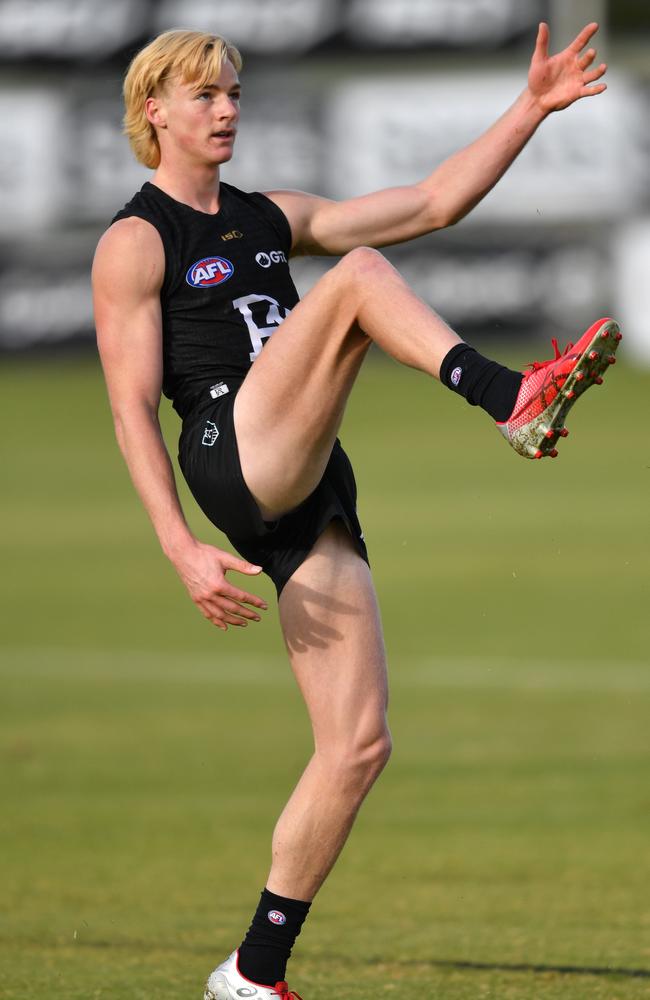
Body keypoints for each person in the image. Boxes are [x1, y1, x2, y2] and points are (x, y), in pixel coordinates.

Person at [92, 21, 619, 1000]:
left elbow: (430, 201)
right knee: (360, 279)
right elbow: (128, 406)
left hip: (303, 478)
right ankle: (510, 398)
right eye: (204, 94)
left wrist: (531, 108)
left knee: (356, 743)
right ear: (152, 110)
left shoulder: (266, 215)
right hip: (227, 448)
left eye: (234, 93)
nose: (225, 110)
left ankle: (251, 974)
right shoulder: (135, 240)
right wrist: (179, 548)